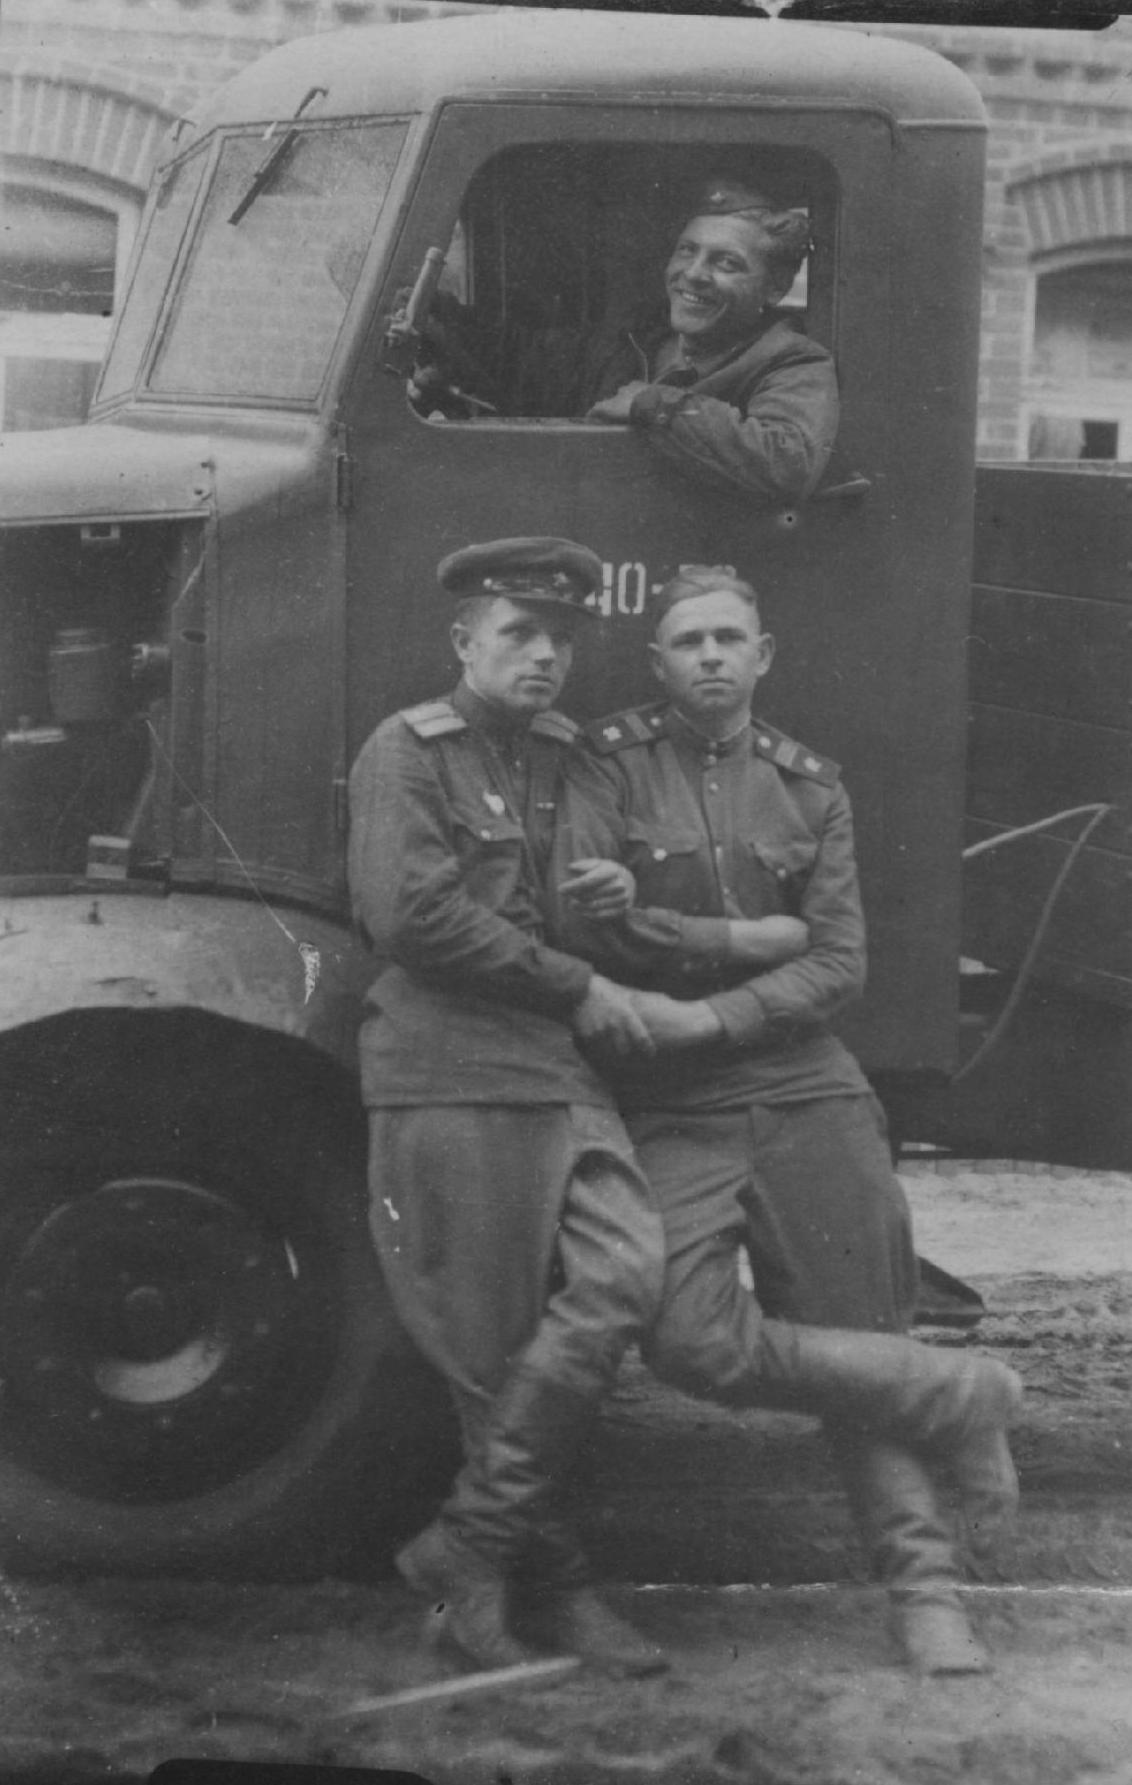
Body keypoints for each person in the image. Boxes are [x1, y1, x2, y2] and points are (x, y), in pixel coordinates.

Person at [552, 562, 1023, 1675]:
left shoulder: (811, 787)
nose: (711, 657)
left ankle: (924, 1596)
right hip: (673, 1105)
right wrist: (752, 940)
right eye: (688, 641)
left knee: (864, 1325)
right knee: (682, 1334)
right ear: (657, 661)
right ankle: (961, 1394)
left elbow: (839, 966)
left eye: (729, 638)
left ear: (763, 656)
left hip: (807, 1090)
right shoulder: (605, 767)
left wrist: (708, 996)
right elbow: (586, 933)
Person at [347, 536, 670, 1679]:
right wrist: (577, 980)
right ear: (464, 640)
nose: (543, 655)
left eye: (561, 639)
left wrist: (618, 896)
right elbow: (413, 918)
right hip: (447, 1067)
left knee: (626, 1273)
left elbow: (581, 918)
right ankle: (548, 1590)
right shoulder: (407, 750)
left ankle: (469, 1546)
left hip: (553, 1068)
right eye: (519, 633)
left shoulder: (570, 758)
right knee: (492, 1356)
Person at [584, 177, 839, 501]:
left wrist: (652, 403)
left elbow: (790, 463)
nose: (693, 273)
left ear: (776, 288)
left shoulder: (795, 361)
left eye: (727, 263)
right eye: (687, 251)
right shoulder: (633, 341)